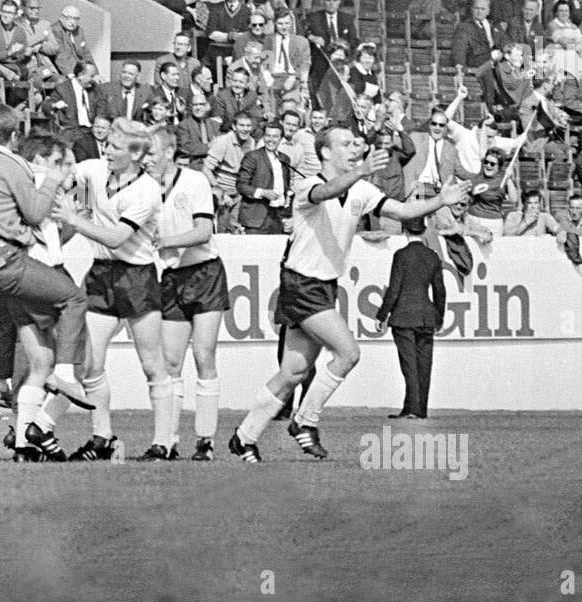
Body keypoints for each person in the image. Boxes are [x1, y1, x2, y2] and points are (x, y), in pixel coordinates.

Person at [228, 128, 470, 462]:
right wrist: (360, 170)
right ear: (325, 153)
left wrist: (440, 201)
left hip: (323, 286)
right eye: (345, 144)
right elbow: (325, 192)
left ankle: (244, 437)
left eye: (355, 144)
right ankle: (304, 421)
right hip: (301, 284)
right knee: (348, 353)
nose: (353, 149)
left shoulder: (361, 188)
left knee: (292, 373)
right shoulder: (307, 185)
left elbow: (400, 212)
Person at [0, 104, 92, 452]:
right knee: (79, 361)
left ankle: (21, 432)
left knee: (37, 361)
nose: (67, 169)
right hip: (34, 269)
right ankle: (43, 426)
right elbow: (40, 217)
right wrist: (74, 206)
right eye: (63, 161)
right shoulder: (36, 178)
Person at [46, 118, 173, 461]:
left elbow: (117, 237)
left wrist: (74, 220)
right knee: (91, 363)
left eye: (116, 146)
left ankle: (164, 442)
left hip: (136, 277)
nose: (107, 150)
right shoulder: (92, 171)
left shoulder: (146, 190)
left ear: (135, 153)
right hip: (101, 274)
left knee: (151, 364)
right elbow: (81, 206)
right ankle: (101, 435)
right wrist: (54, 243)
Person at [148, 125, 226, 461]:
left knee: (204, 356)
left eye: (150, 152)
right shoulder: (142, 188)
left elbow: (204, 231)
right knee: (170, 362)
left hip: (205, 274)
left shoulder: (194, 181)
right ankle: (167, 440)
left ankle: (205, 440)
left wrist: (166, 242)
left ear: (168, 152)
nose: (144, 159)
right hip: (170, 278)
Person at [374, 217, 447, 420]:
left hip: (404, 316)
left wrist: (382, 315)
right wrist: (440, 316)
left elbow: (394, 289)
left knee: (409, 364)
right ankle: (418, 408)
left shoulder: (401, 255)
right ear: (423, 231)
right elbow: (440, 291)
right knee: (424, 363)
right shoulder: (432, 256)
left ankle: (413, 408)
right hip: (426, 316)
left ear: (405, 231)